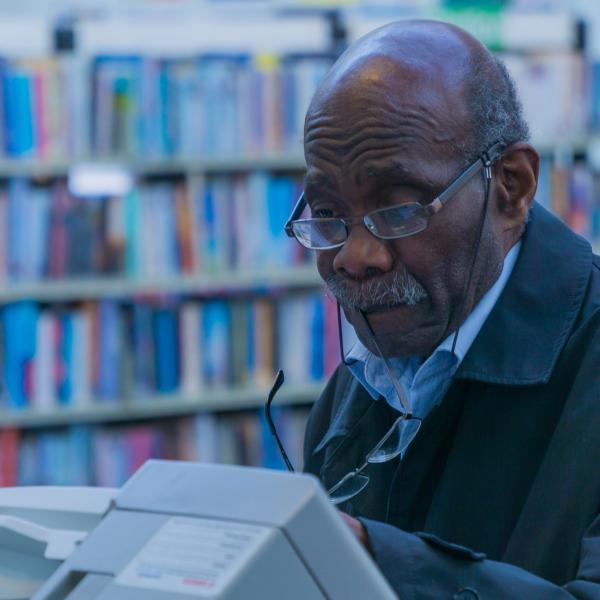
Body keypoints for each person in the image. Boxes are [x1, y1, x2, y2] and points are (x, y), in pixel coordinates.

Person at [284, 19, 600, 598]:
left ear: (511, 185)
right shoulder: (359, 385)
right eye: (327, 212)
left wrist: (377, 561)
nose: (354, 257)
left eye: (401, 209)